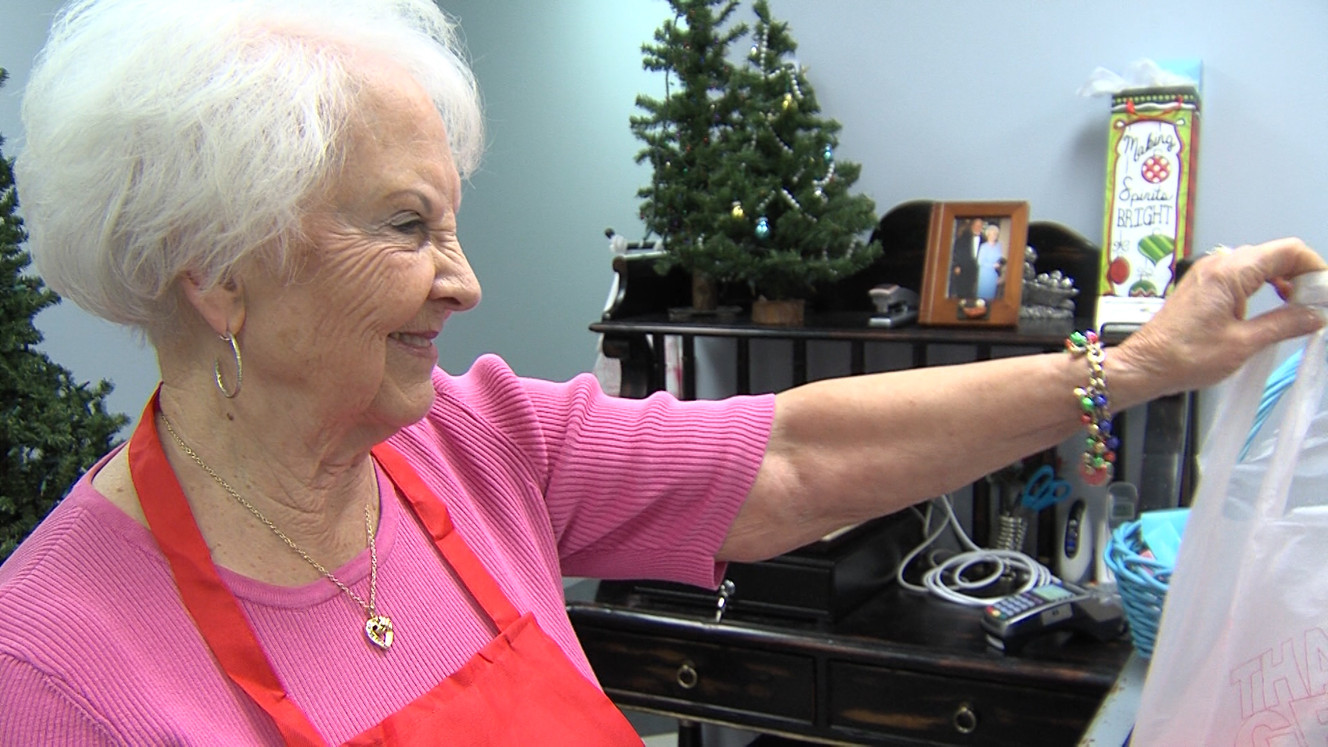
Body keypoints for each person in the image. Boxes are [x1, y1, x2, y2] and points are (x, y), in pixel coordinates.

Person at [1, 0, 1324, 743]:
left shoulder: (476, 438)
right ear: (217, 268)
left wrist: (1141, 364)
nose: (465, 281)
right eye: (406, 226)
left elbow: (800, 453)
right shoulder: (52, 666)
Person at [949, 217, 985, 298]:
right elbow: (956, 251)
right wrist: (956, 265)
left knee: (973, 293)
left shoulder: (984, 240)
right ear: (972, 225)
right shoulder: (963, 237)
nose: (978, 227)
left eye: (980, 225)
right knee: (961, 292)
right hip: (963, 268)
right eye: (976, 225)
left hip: (976, 271)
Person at [975, 221, 1005, 299]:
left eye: (995, 234)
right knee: (983, 296)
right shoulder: (983, 247)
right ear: (987, 235)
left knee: (992, 297)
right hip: (985, 274)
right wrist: (992, 265)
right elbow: (980, 262)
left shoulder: (998, 246)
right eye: (991, 234)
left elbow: (1000, 260)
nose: (993, 236)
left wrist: (1000, 272)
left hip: (994, 275)